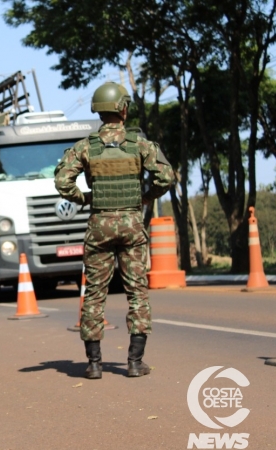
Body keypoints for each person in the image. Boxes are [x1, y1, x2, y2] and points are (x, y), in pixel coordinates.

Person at [54, 82, 174, 380]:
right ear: (123, 108)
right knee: (137, 292)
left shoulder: (87, 146)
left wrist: (84, 198)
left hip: (99, 227)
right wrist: (146, 197)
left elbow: (61, 182)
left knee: (95, 293)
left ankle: (94, 364)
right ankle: (135, 362)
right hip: (132, 225)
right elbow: (167, 177)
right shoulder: (139, 144)